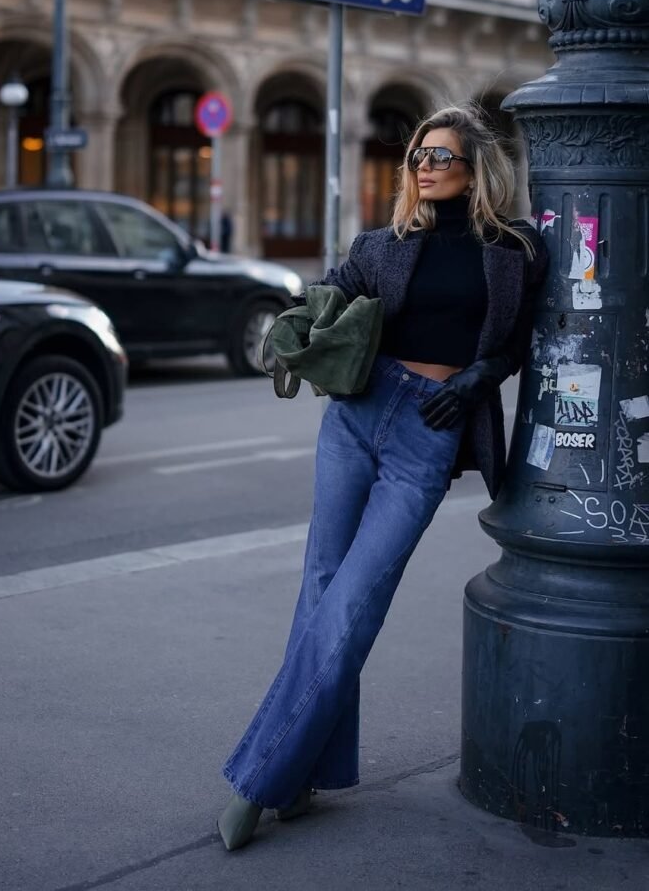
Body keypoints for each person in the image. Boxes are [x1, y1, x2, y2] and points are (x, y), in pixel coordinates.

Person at [217, 105, 549, 851]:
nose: (423, 167)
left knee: (353, 606)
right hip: (355, 420)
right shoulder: (382, 244)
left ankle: (263, 774)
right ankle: (300, 772)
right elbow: (324, 293)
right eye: (416, 158)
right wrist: (293, 320)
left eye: (439, 156)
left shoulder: (513, 250)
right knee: (320, 592)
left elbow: (519, 343)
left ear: (475, 169)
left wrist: (474, 380)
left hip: (426, 435)